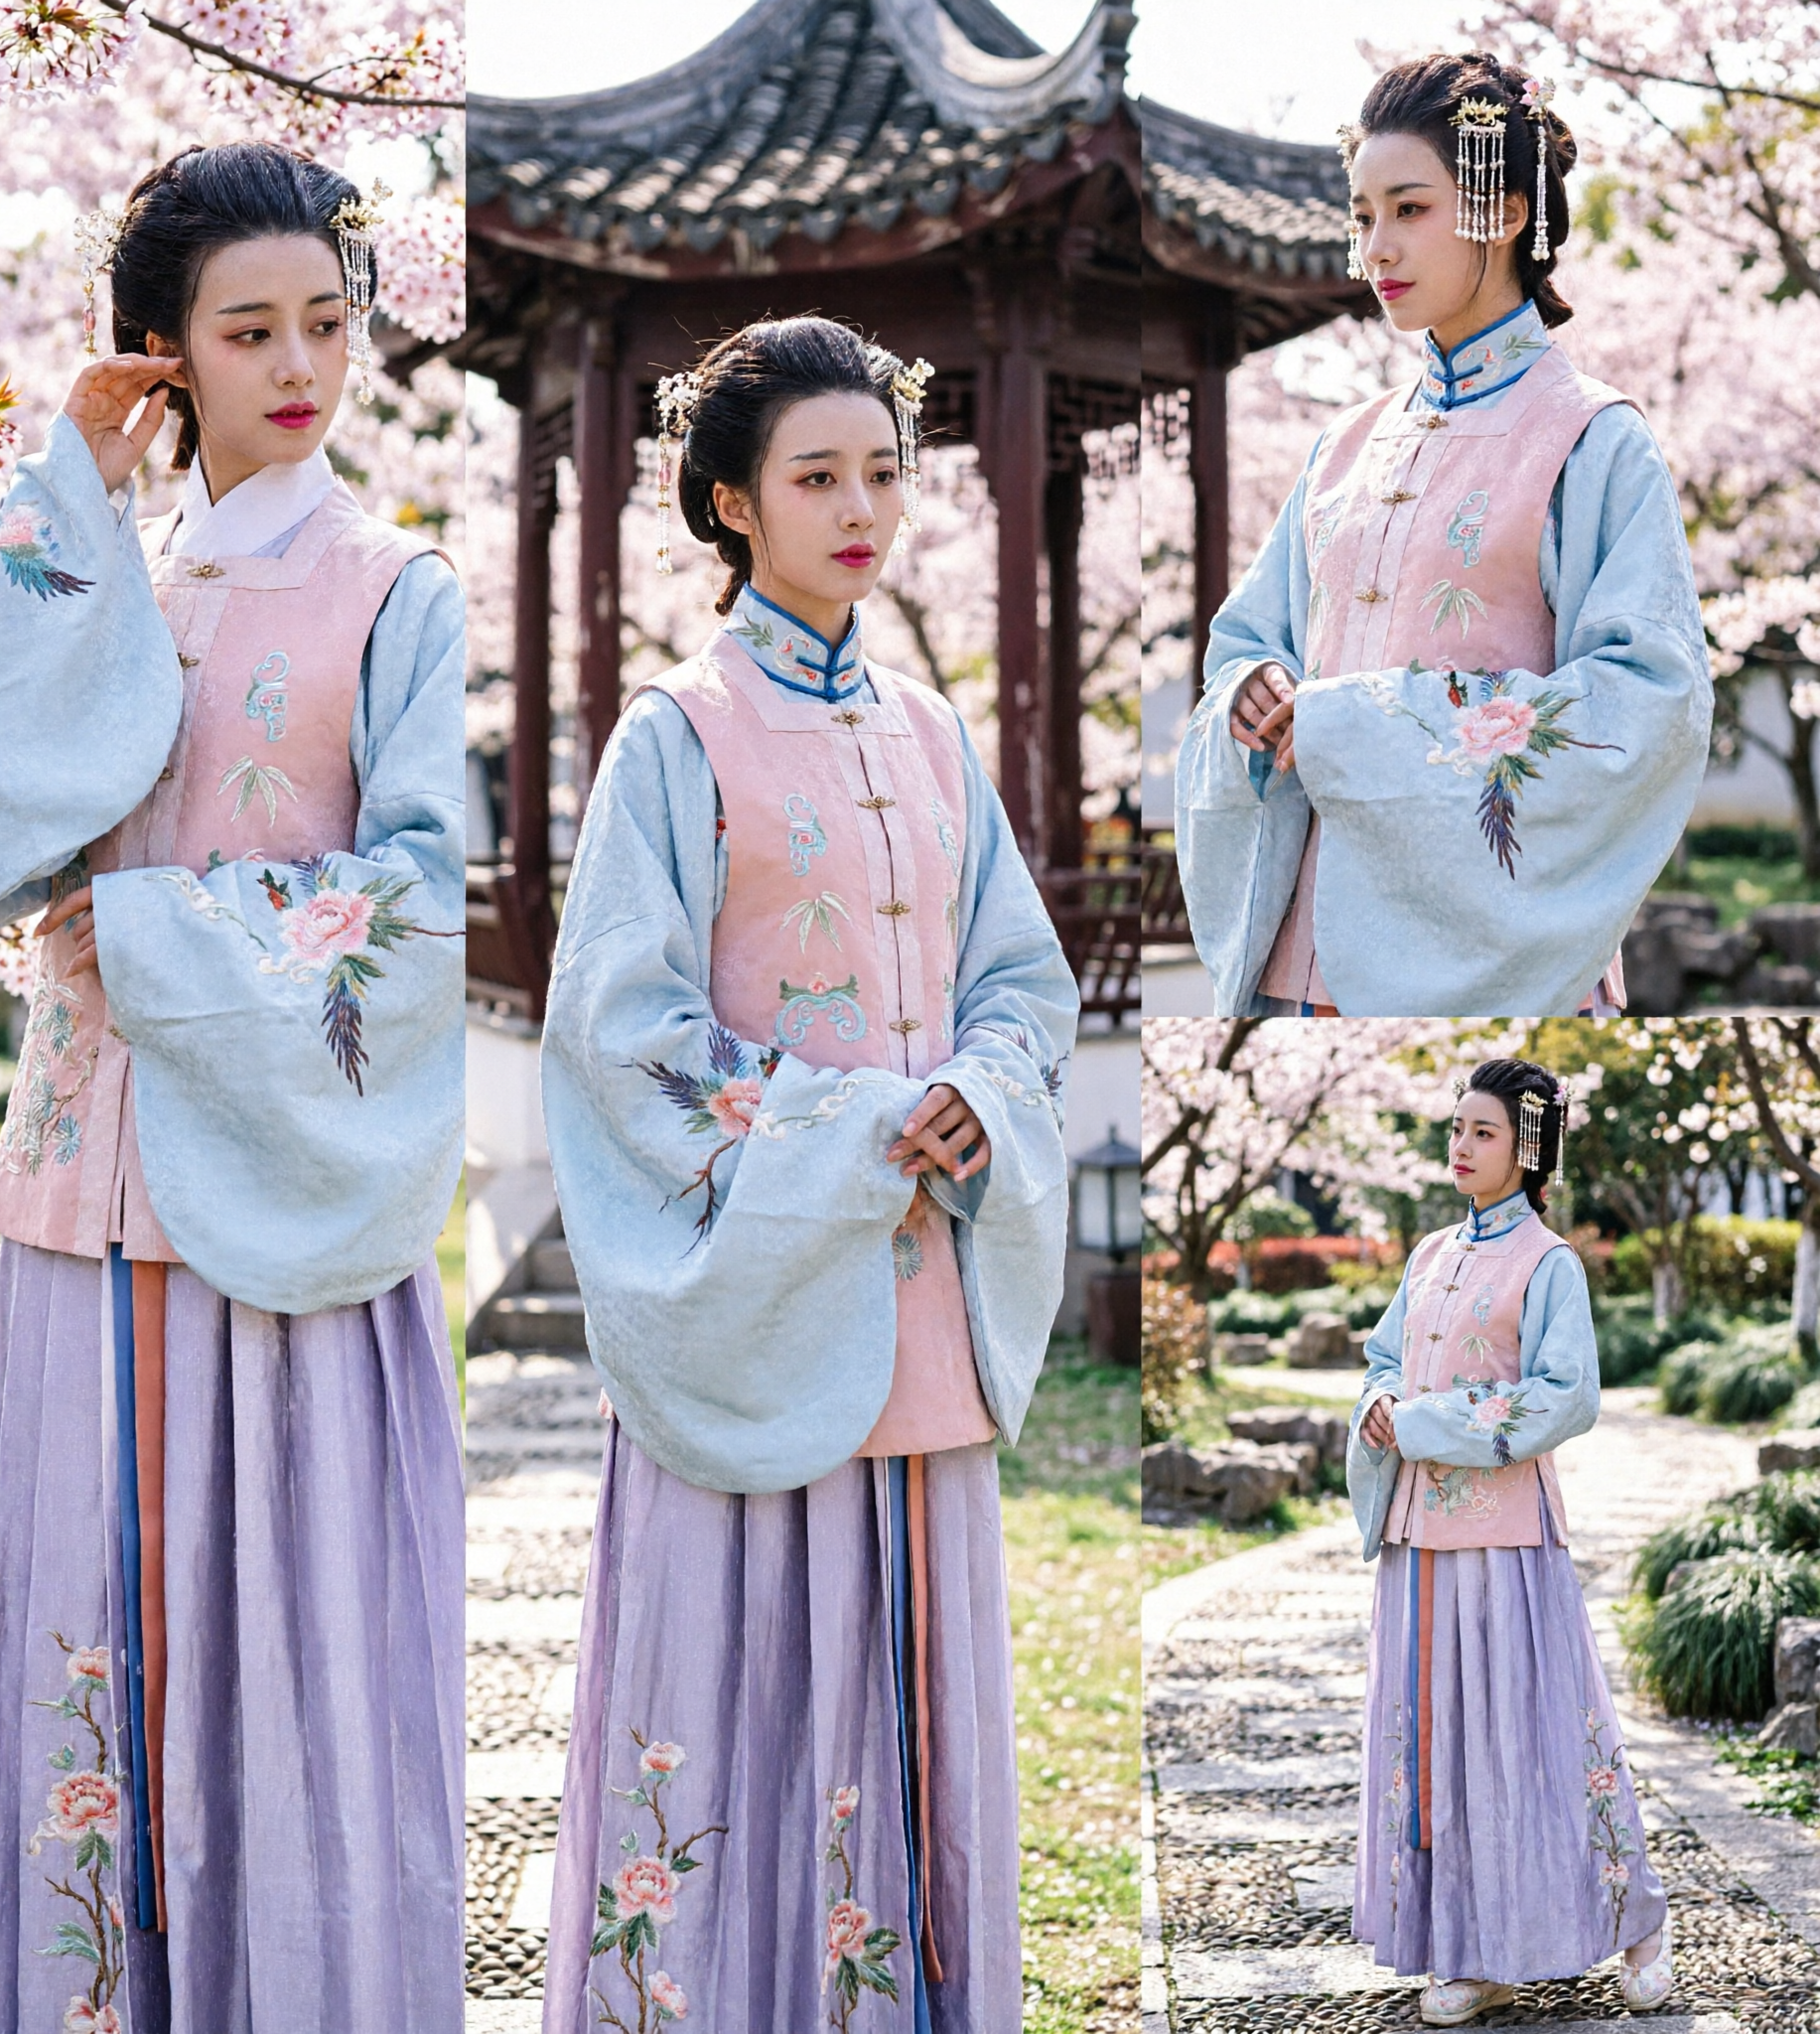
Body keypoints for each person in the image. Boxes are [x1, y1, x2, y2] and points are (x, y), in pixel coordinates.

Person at [0, 141, 467, 2032]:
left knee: (282, 1663)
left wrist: (163, 927)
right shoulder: (99, 570)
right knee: (85, 1658)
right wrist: (71, 476)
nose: (297, 365)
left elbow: (429, 896)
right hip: (76, 1202)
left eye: (325, 325)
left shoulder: (394, 590)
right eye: (246, 329)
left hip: (283, 1201)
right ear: (164, 353)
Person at [536, 316, 1077, 2032]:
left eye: (881, 472)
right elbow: (622, 1026)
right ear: (728, 504)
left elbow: (1017, 974)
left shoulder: (927, 731)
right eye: (814, 475)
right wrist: (849, 1129)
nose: (859, 506)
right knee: (749, 1683)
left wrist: (983, 1095)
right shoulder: (675, 736)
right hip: (760, 1294)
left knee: (915, 1699)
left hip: (927, 1305)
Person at [1175, 50, 1712, 1018]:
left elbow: (1647, 708)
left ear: (1502, 213)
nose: (1374, 247)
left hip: (1491, 969)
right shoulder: (1340, 447)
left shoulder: (1591, 441)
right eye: (1361, 214)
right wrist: (1251, 693)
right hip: (1299, 976)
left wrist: (1351, 726)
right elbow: (1246, 644)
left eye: (1408, 208)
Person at [1343, 1058, 1673, 2026]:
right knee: (1437, 1739)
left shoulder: (1547, 1263)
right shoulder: (1427, 1254)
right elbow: (1380, 1358)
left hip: (1503, 1539)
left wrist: (1421, 1420)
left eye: (1480, 1130)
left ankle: (1635, 1919)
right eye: (1454, 1126)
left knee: (1533, 1732)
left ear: (1527, 1148)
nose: (1458, 1143)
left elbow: (1563, 1394)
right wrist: (1374, 1405)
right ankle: (1468, 1946)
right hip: (1419, 1537)